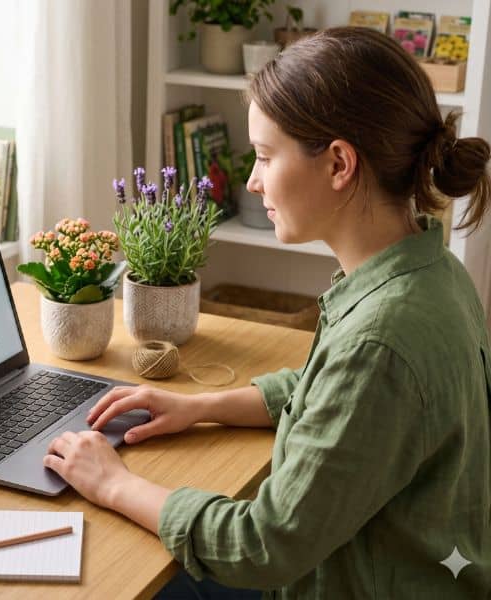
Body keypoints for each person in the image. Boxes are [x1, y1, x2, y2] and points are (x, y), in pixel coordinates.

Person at [43, 27, 491, 599]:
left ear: (338, 165)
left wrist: (112, 483)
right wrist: (199, 407)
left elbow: (262, 545)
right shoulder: (431, 273)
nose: (253, 182)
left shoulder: (380, 340)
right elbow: (324, 391)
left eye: (264, 156)